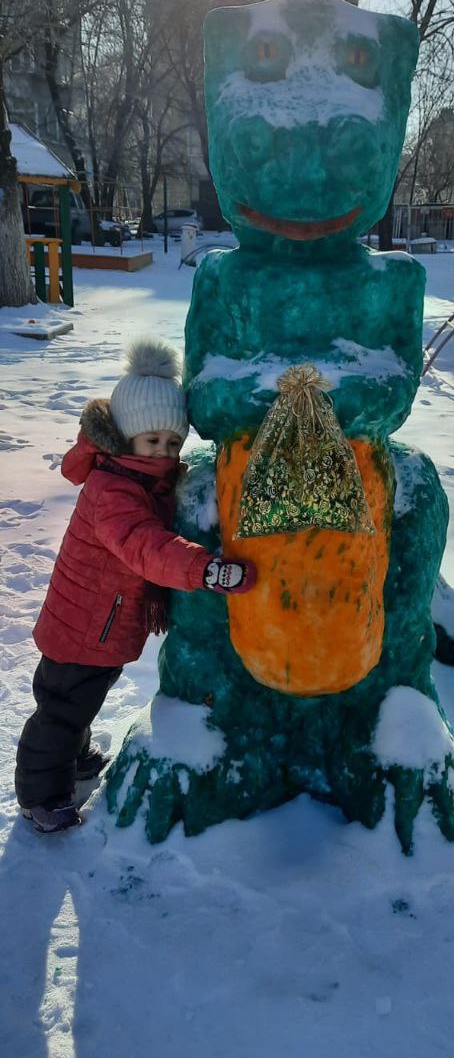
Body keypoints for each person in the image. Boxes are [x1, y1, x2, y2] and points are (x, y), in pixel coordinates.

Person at [15, 337, 256, 834]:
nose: (165, 454)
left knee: (80, 700)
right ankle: (41, 796)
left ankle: (74, 758)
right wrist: (203, 570)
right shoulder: (113, 490)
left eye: (173, 444)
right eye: (153, 442)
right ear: (126, 438)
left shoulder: (141, 479)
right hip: (82, 626)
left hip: (98, 623)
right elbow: (143, 544)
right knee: (60, 709)